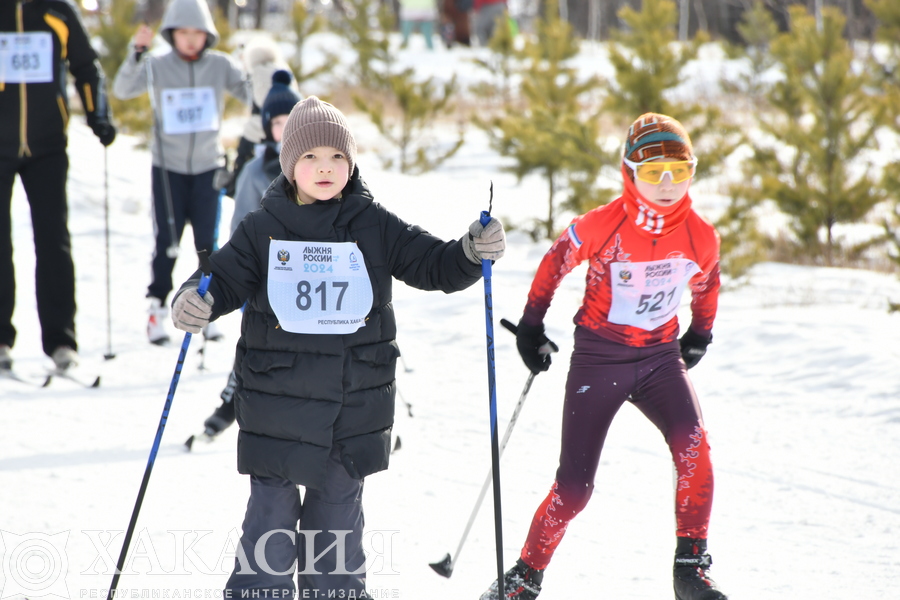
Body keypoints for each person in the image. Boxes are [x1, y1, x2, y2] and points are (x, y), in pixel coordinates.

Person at [170, 96, 507, 598]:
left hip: (352, 408)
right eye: (310, 158)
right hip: (276, 405)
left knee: (336, 529)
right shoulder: (263, 229)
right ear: (290, 165)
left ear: (351, 164)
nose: (325, 168)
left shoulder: (373, 223)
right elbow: (221, 277)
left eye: (337, 157)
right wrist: (193, 300)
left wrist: (469, 251)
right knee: (270, 527)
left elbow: (431, 264)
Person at [480, 113, 727, 600]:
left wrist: (700, 333)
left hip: (659, 359)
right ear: (629, 172)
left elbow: (707, 283)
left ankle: (691, 567)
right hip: (600, 359)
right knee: (574, 489)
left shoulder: (700, 235)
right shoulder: (603, 224)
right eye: (654, 172)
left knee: (694, 447)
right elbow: (555, 262)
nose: (667, 185)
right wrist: (531, 326)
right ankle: (524, 576)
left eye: (680, 172)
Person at [112, 0, 251, 345]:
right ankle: (156, 310)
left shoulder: (219, 66)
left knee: (208, 244)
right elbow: (123, 89)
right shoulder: (158, 66)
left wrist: (257, 70)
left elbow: (252, 94)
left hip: (208, 168)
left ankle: (208, 308)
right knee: (167, 243)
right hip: (168, 170)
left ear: (208, 36)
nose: (190, 40)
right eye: (183, 32)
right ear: (172, 34)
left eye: (198, 33)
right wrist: (136, 52)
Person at [0, 0, 117, 373]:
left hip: (48, 146)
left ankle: (61, 340)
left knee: (53, 240)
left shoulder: (58, 10)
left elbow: (86, 67)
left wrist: (98, 114)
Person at [199, 69, 302, 440]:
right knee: (258, 348)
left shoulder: (323, 168)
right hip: (268, 279)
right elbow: (240, 232)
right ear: (267, 127)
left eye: (293, 119)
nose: (286, 127)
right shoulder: (257, 172)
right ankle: (232, 401)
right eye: (278, 122)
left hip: (314, 281)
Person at [225, 38, 297, 198]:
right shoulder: (283, 67)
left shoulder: (259, 72)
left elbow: (264, 104)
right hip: (282, 129)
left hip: (260, 133)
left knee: (245, 176)